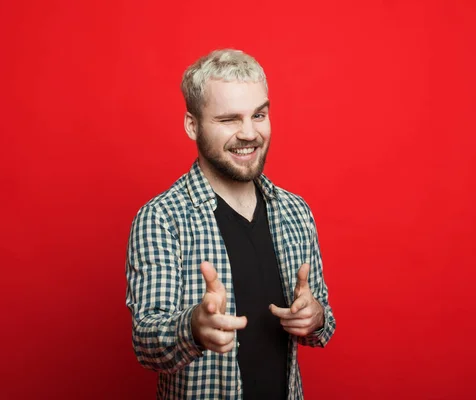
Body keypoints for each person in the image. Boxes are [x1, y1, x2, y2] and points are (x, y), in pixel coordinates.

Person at [126, 49, 336, 399]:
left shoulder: (296, 212)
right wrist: (193, 327)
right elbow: (146, 342)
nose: (250, 133)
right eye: (229, 120)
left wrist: (314, 318)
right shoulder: (162, 218)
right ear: (192, 125)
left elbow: (323, 325)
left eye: (259, 114)